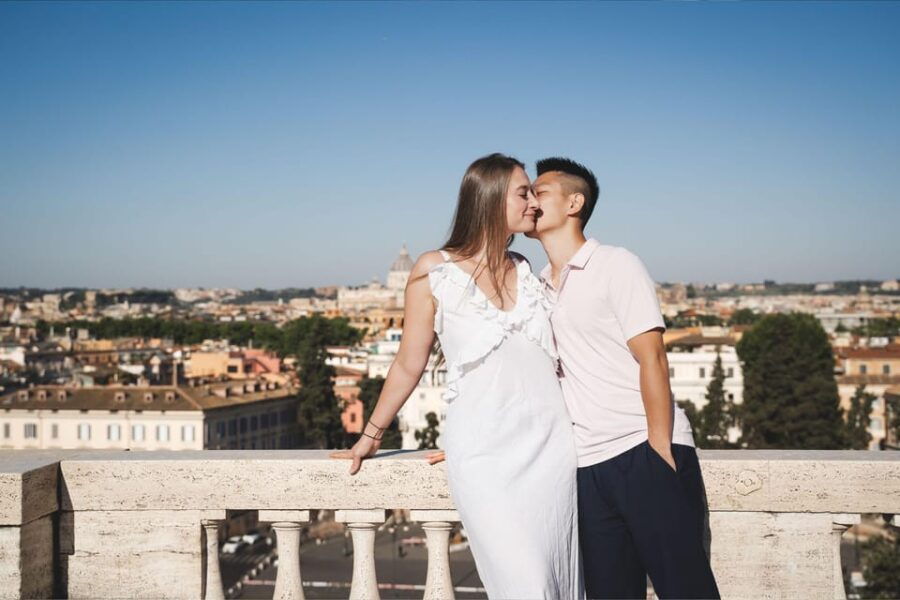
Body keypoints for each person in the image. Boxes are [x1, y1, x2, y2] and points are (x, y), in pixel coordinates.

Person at [332, 153, 582, 599]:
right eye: (523, 193)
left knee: (557, 579)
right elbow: (410, 362)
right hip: (484, 455)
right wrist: (372, 435)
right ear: (488, 199)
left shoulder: (527, 269)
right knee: (528, 584)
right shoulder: (435, 270)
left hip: (551, 450)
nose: (533, 204)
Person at [526, 157, 720, 599]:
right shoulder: (537, 284)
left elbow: (652, 356)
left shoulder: (616, 263)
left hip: (640, 449)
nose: (531, 200)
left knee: (686, 591)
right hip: (585, 466)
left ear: (575, 203)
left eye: (542, 192)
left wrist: (658, 450)